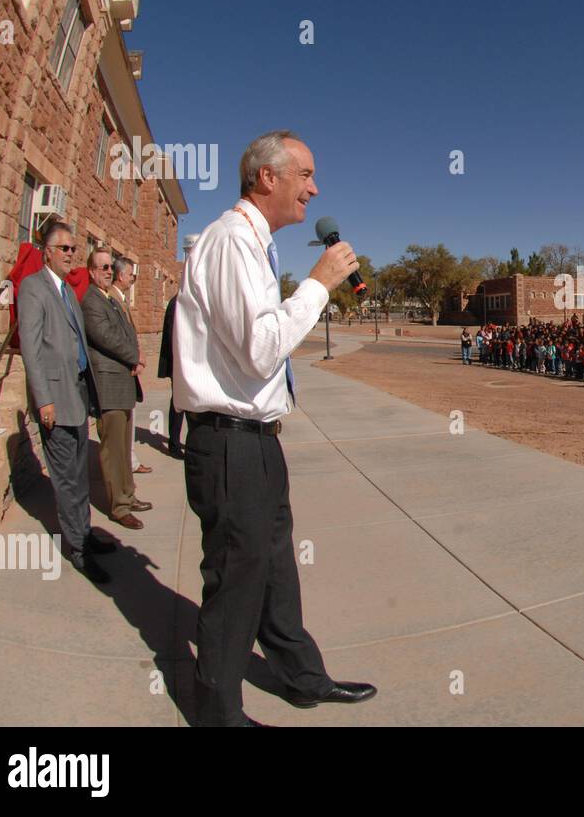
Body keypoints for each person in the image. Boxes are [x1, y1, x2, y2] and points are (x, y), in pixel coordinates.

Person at [174, 130, 376, 726]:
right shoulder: (233, 241)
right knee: (237, 581)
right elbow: (262, 350)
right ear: (268, 177)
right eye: (305, 175)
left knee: (275, 570)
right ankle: (217, 712)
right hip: (228, 444)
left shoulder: (256, 245)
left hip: (258, 443)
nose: (314, 189)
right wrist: (318, 284)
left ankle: (301, 678)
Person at [17, 221, 115, 583]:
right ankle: (78, 549)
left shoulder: (69, 292)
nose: (72, 254)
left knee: (79, 474)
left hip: (76, 394)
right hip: (54, 400)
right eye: (65, 248)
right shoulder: (33, 288)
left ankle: (86, 535)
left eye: (74, 249)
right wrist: (43, 400)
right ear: (48, 252)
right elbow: (31, 347)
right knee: (66, 480)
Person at [81, 247, 147, 529]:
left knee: (123, 446)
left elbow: (125, 333)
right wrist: (134, 356)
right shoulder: (92, 300)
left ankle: (128, 495)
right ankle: (119, 506)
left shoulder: (108, 299)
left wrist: (134, 356)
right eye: (103, 267)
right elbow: (105, 336)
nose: (108, 271)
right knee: (112, 449)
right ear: (92, 271)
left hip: (123, 381)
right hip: (108, 382)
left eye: (110, 267)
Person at [109, 256, 152, 475]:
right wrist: (134, 358)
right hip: (120, 370)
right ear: (121, 275)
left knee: (130, 419)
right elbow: (116, 336)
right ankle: (127, 464)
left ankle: (131, 460)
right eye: (130, 275)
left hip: (129, 368)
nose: (133, 279)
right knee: (121, 424)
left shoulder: (122, 299)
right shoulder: (111, 299)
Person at [157, 292, 184, 458]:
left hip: (188, 364)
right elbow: (173, 335)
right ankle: (174, 444)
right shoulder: (177, 303)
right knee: (178, 404)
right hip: (180, 364)